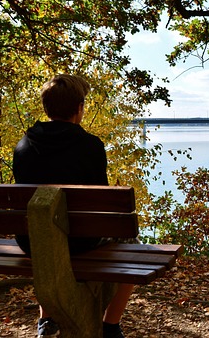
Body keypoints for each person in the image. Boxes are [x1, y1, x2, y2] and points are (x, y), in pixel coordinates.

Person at [13, 74, 133, 338]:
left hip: (32, 242)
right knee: (131, 247)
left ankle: (46, 321)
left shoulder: (23, 145)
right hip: (79, 243)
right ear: (79, 108)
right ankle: (110, 325)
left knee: (48, 235)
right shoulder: (90, 146)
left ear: (46, 108)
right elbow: (101, 205)